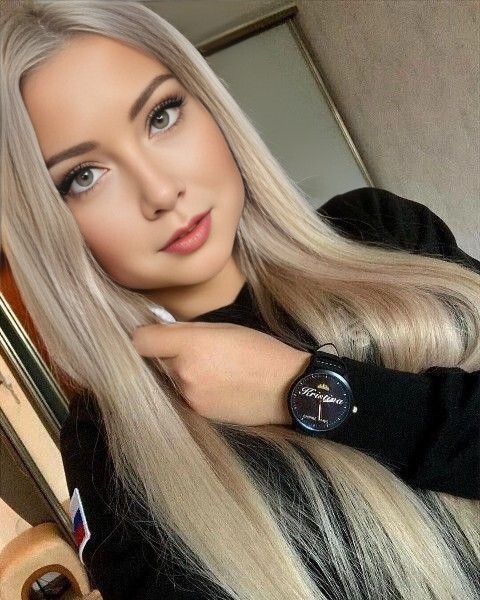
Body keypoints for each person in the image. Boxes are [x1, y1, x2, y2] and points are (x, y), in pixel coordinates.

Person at [1, 2, 479, 599]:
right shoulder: (108, 443)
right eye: (84, 176)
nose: (160, 191)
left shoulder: (378, 229)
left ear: (210, 107)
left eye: (161, 116)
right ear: (49, 229)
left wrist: (297, 387)